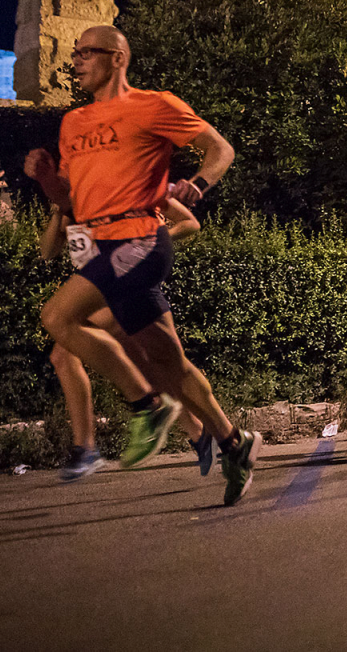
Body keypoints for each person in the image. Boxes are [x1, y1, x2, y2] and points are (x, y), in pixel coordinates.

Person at [30, 25, 258, 506]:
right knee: (170, 363)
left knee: (57, 318)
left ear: (116, 57)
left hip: (138, 237)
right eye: (73, 55)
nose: (75, 62)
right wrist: (49, 179)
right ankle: (233, 443)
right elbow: (68, 200)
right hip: (99, 242)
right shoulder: (72, 123)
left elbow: (221, 150)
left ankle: (147, 406)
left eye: (85, 53)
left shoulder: (156, 105)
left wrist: (197, 184)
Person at [40, 194, 211, 481]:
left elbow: (190, 223)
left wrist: (148, 244)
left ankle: (86, 448)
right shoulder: (75, 210)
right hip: (98, 293)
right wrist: (59, 214)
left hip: (123, 287)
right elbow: (47, 252)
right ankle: (200, 434)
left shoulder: (124, 189)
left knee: (63, 354)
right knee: (149, 365)